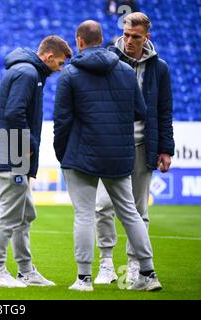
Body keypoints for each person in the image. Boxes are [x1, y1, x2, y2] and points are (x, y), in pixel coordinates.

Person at [53, 20, 162, 292]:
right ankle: (148, 275)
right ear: (101, 40)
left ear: (79, 41)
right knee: (131, 213)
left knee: (84, 215)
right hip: (119, 154)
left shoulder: (70, 74)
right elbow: (140, 111)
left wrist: (62, 153)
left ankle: (84, 279)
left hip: (81, 155)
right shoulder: (126, 71)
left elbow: (61, 121)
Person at [94, 12, 174, 286]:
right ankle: (105, 263)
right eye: (126, 35)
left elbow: (164, 110)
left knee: (139, 211)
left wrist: (166, 148)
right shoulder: (108, 61)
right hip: (111, 146)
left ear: (146, 37)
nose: (128, 41)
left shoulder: (159, 68)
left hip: (143, 147)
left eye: (135, 37)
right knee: (103, 206)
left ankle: (134, 265)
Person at [0, 36, 73, 288]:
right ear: (48, 56)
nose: (61, 67)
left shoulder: (27, 71)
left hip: (12, 155)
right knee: (10, 215)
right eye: (60, 61)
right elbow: (14, 113)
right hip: (12, 157)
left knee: (25, 213)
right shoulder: (27, 73)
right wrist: (29, 147)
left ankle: (25, 270)